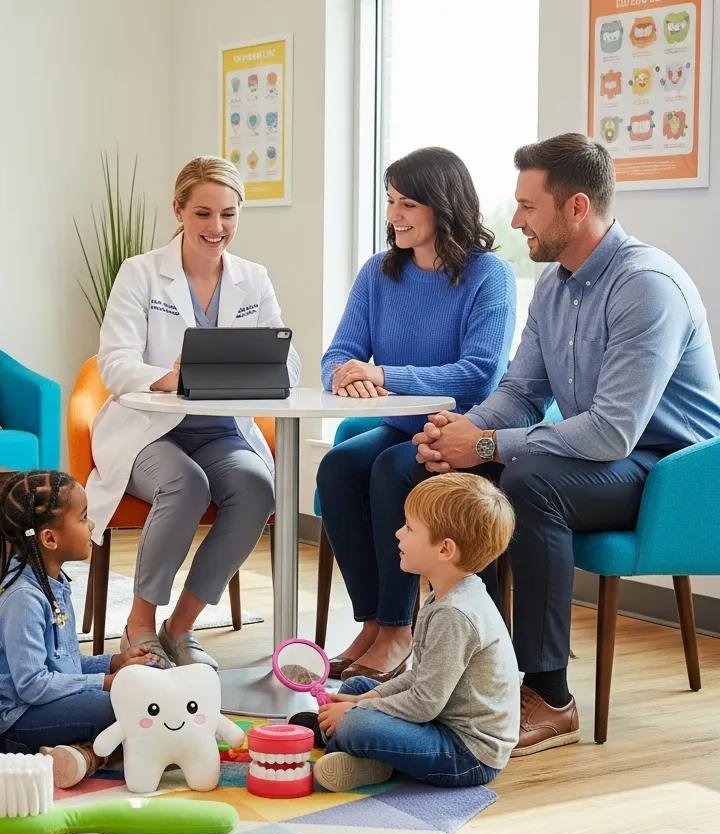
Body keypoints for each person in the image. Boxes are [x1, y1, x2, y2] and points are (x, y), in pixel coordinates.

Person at [373, 132, 720, 755]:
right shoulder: (557, 285)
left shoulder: (646, 286)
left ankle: (550, 695)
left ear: (577, 207)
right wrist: (460, 436)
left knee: (530, 482)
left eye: (528, 207)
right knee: (435, 472)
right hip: (603, 458)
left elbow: (613, 430)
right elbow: (521, 390)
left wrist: (487, 447)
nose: (515, 221)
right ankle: (466, 668)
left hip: (672, 473)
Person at [86, 155, 301, 670]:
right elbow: (114, 362)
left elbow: (287, 358)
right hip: (150, 432)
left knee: (258, 487)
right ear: (179, 210)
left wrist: (256, 369)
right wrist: (169, 377)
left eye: (228, 214)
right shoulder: (140, 273)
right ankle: (139, 624)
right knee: (186, 484)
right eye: (203, 213)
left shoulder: (253, 278)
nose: (216, 227)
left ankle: (180, 628)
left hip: (221, 432)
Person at [316, 146, 516, 681]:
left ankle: (398, 629)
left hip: (466, 435)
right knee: (338, 466)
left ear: (442, 205)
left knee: (391, 468)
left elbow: (479, 374)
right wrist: (348, 375)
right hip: (404, 426)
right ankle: (373, 623)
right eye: (390, 201)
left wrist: (384, 374)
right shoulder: (378, 274)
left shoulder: (488, 275)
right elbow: (338, 356)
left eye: (407, 203)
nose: (394, 215)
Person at [300, 473, 519, 792]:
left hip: (466, 755)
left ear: (444, 549)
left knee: (356, 723)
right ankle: (361, 749)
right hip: (439, 719)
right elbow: (419, 677)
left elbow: (424, 703)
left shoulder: (455, 614)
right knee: (358, 685)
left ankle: (354, 747)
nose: (398, 533)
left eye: (410, 528)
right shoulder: (445, 595)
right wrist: (363, 698)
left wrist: (357, 709)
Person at [0, 470, 162, 788]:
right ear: (50, 539)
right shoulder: (23, 600)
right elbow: (33, 685)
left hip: (45, 706)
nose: (91, 525)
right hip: (18, 724)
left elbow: (64, 665)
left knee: (149, 686)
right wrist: (106, 682)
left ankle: (80, 757)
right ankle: (92, 755)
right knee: (126, 705)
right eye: (83, 517)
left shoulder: (53, 584)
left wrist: (114, 662)